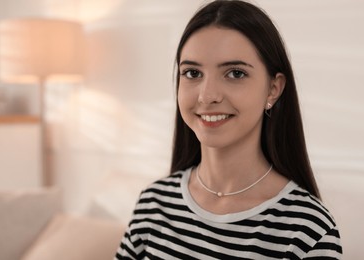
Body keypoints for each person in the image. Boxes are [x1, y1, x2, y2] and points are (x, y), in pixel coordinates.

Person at [115, 0, 342, 259]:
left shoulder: (308, 230)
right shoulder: (153, 203)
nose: (207, 95)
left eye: (235, 73)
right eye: (192, 73)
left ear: (273, 89)